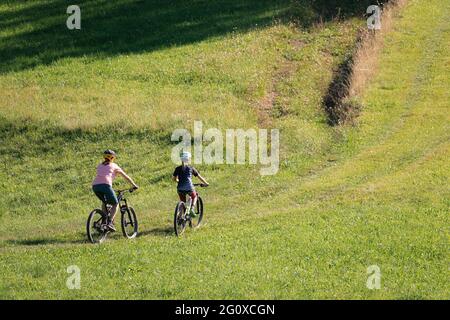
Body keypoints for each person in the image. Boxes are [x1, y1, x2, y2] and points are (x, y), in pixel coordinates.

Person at [92, 150, 138, 231]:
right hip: (106, 185)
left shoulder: (100, 165)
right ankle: (109, 223)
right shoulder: (114, 165)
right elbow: (125, 176)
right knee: (115, 203)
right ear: (113, 157)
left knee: (105, 202)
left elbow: (103, 175)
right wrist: (134, 185)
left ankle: (104, 221)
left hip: (95, 186)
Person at [172, 151, 208, 217]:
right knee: (195, 196)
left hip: (180, 188)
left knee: (182, 202)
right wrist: (206, 183)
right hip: (189, 187)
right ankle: (192, 209)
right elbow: (200, 177)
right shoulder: (191, 168)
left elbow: (174, 179)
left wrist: (178, 181)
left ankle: (180, 217)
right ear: (188, 159)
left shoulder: (177, 168)